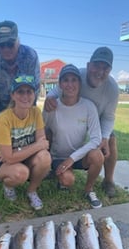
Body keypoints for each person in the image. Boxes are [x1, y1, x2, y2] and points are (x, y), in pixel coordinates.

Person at [44, 47, 119, 198]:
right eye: (97, 66)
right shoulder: (79, 74)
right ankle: (50, 167)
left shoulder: (112, 88)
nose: (99, 72)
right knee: (50, 131)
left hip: (94, 115)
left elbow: (109, 117)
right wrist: (49, 98)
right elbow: (59, 89)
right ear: (89, 65)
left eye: (105, 68)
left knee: (109, 140)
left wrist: (103, 137)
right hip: (71, 112)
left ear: (110, 70)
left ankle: (108, 181)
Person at [43, 64, 104, 208]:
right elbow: (42, 132)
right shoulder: (52, 106)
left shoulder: (89, 106)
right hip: (58, 156)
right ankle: (57, 174)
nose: (70, 84)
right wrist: (46, 159)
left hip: (78, 156)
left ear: (80, 83)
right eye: (66, 80)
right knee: (68, 181)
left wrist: (72, 159)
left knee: (98, 156)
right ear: (60, 84)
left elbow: (96, 138)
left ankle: (88, 189)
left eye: (74, 80)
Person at [0, 74, 51, 211]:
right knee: (20, 173)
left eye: (29, 91)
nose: (25, 96)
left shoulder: (36, 112)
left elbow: (43, 143)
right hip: (0, 161)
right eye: (20, 91)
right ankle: (8, 186)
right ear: (13, 95)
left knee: (45, 157)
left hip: (22, 156)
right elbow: (8, 158)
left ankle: (32, 191)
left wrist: (18, 151)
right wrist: (34, 147)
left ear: (34, 94)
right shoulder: (3, 119)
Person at [0, 20, 40, 121]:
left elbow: (35, 88)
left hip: (25, 110)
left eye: (10, 44)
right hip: (1, 111)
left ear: (18, 41)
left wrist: (26, 116)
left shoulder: (30, 56)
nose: (6, 49)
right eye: (1, 45)